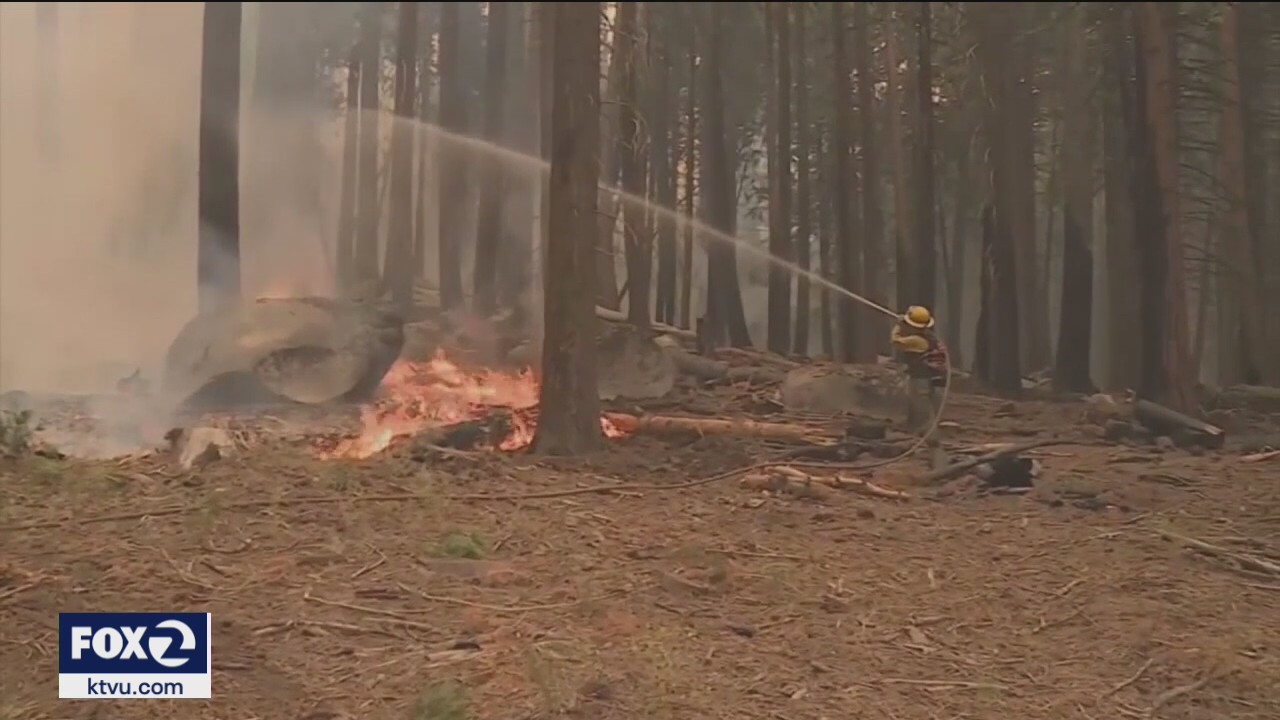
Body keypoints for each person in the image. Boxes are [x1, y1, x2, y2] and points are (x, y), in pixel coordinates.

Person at [889, 305, 948, 433]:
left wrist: (898, 325)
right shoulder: (931, 337)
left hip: (922, 376)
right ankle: (922, 428)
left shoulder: (916, 341)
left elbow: (895, 341)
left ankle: (923, 432)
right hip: (937, 376)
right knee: (928, 405)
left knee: (920, 404)